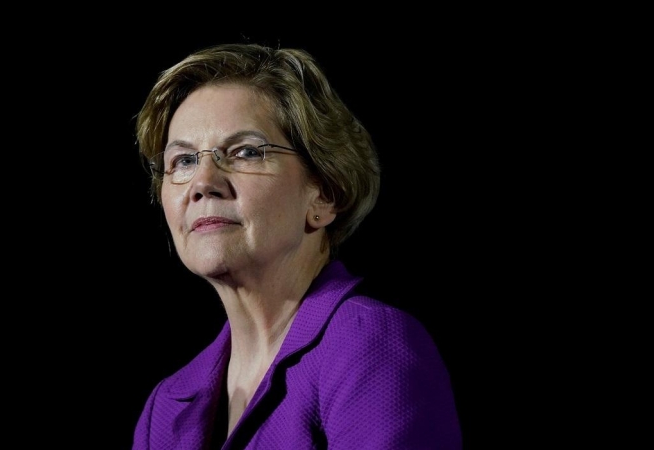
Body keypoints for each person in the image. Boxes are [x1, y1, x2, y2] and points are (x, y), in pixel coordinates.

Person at [131, 42, 462, 449]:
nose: (202, 183)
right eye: (182, 161)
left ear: (324, 195)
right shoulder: (163, 408)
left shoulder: (368, 347)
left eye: (246, 152)